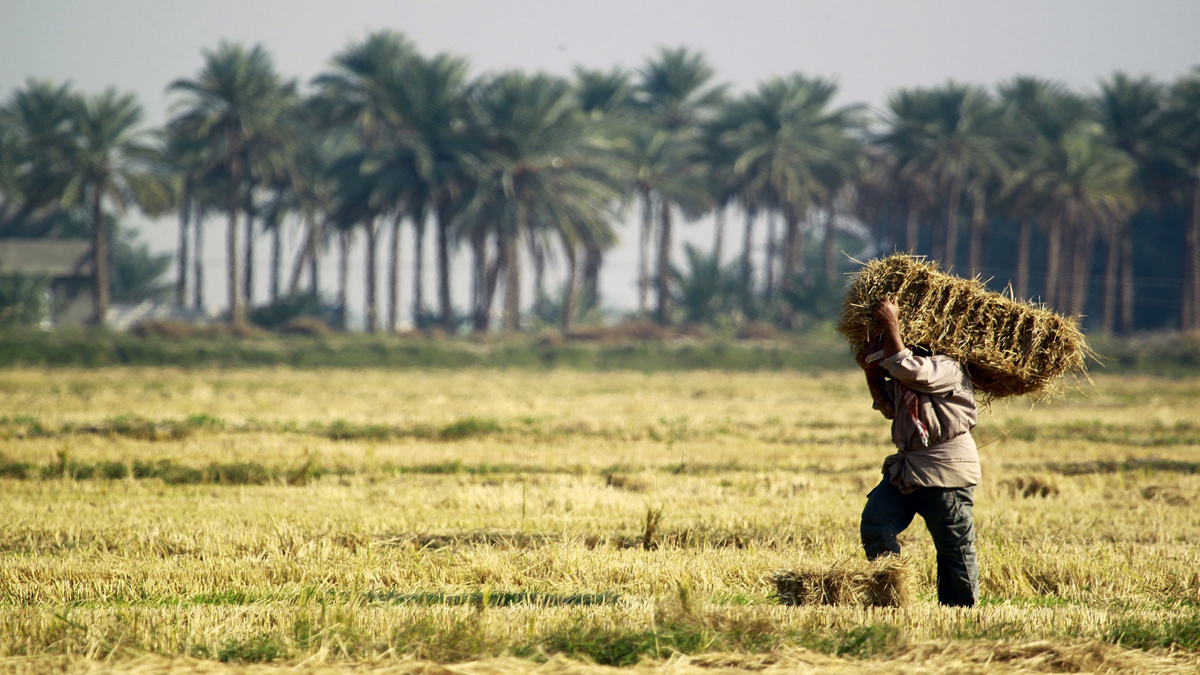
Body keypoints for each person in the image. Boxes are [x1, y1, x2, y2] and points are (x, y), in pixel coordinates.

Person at [856, 298, 980, 607]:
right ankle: (891, 599)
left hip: (946, 469)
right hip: (908, 468)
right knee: (876, 525)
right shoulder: (902, 372)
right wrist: (870, 372)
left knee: (953, 547)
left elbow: (909, 368)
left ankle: (960, 612)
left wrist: (890, 324)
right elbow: (888, 408)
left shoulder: (946, 367)